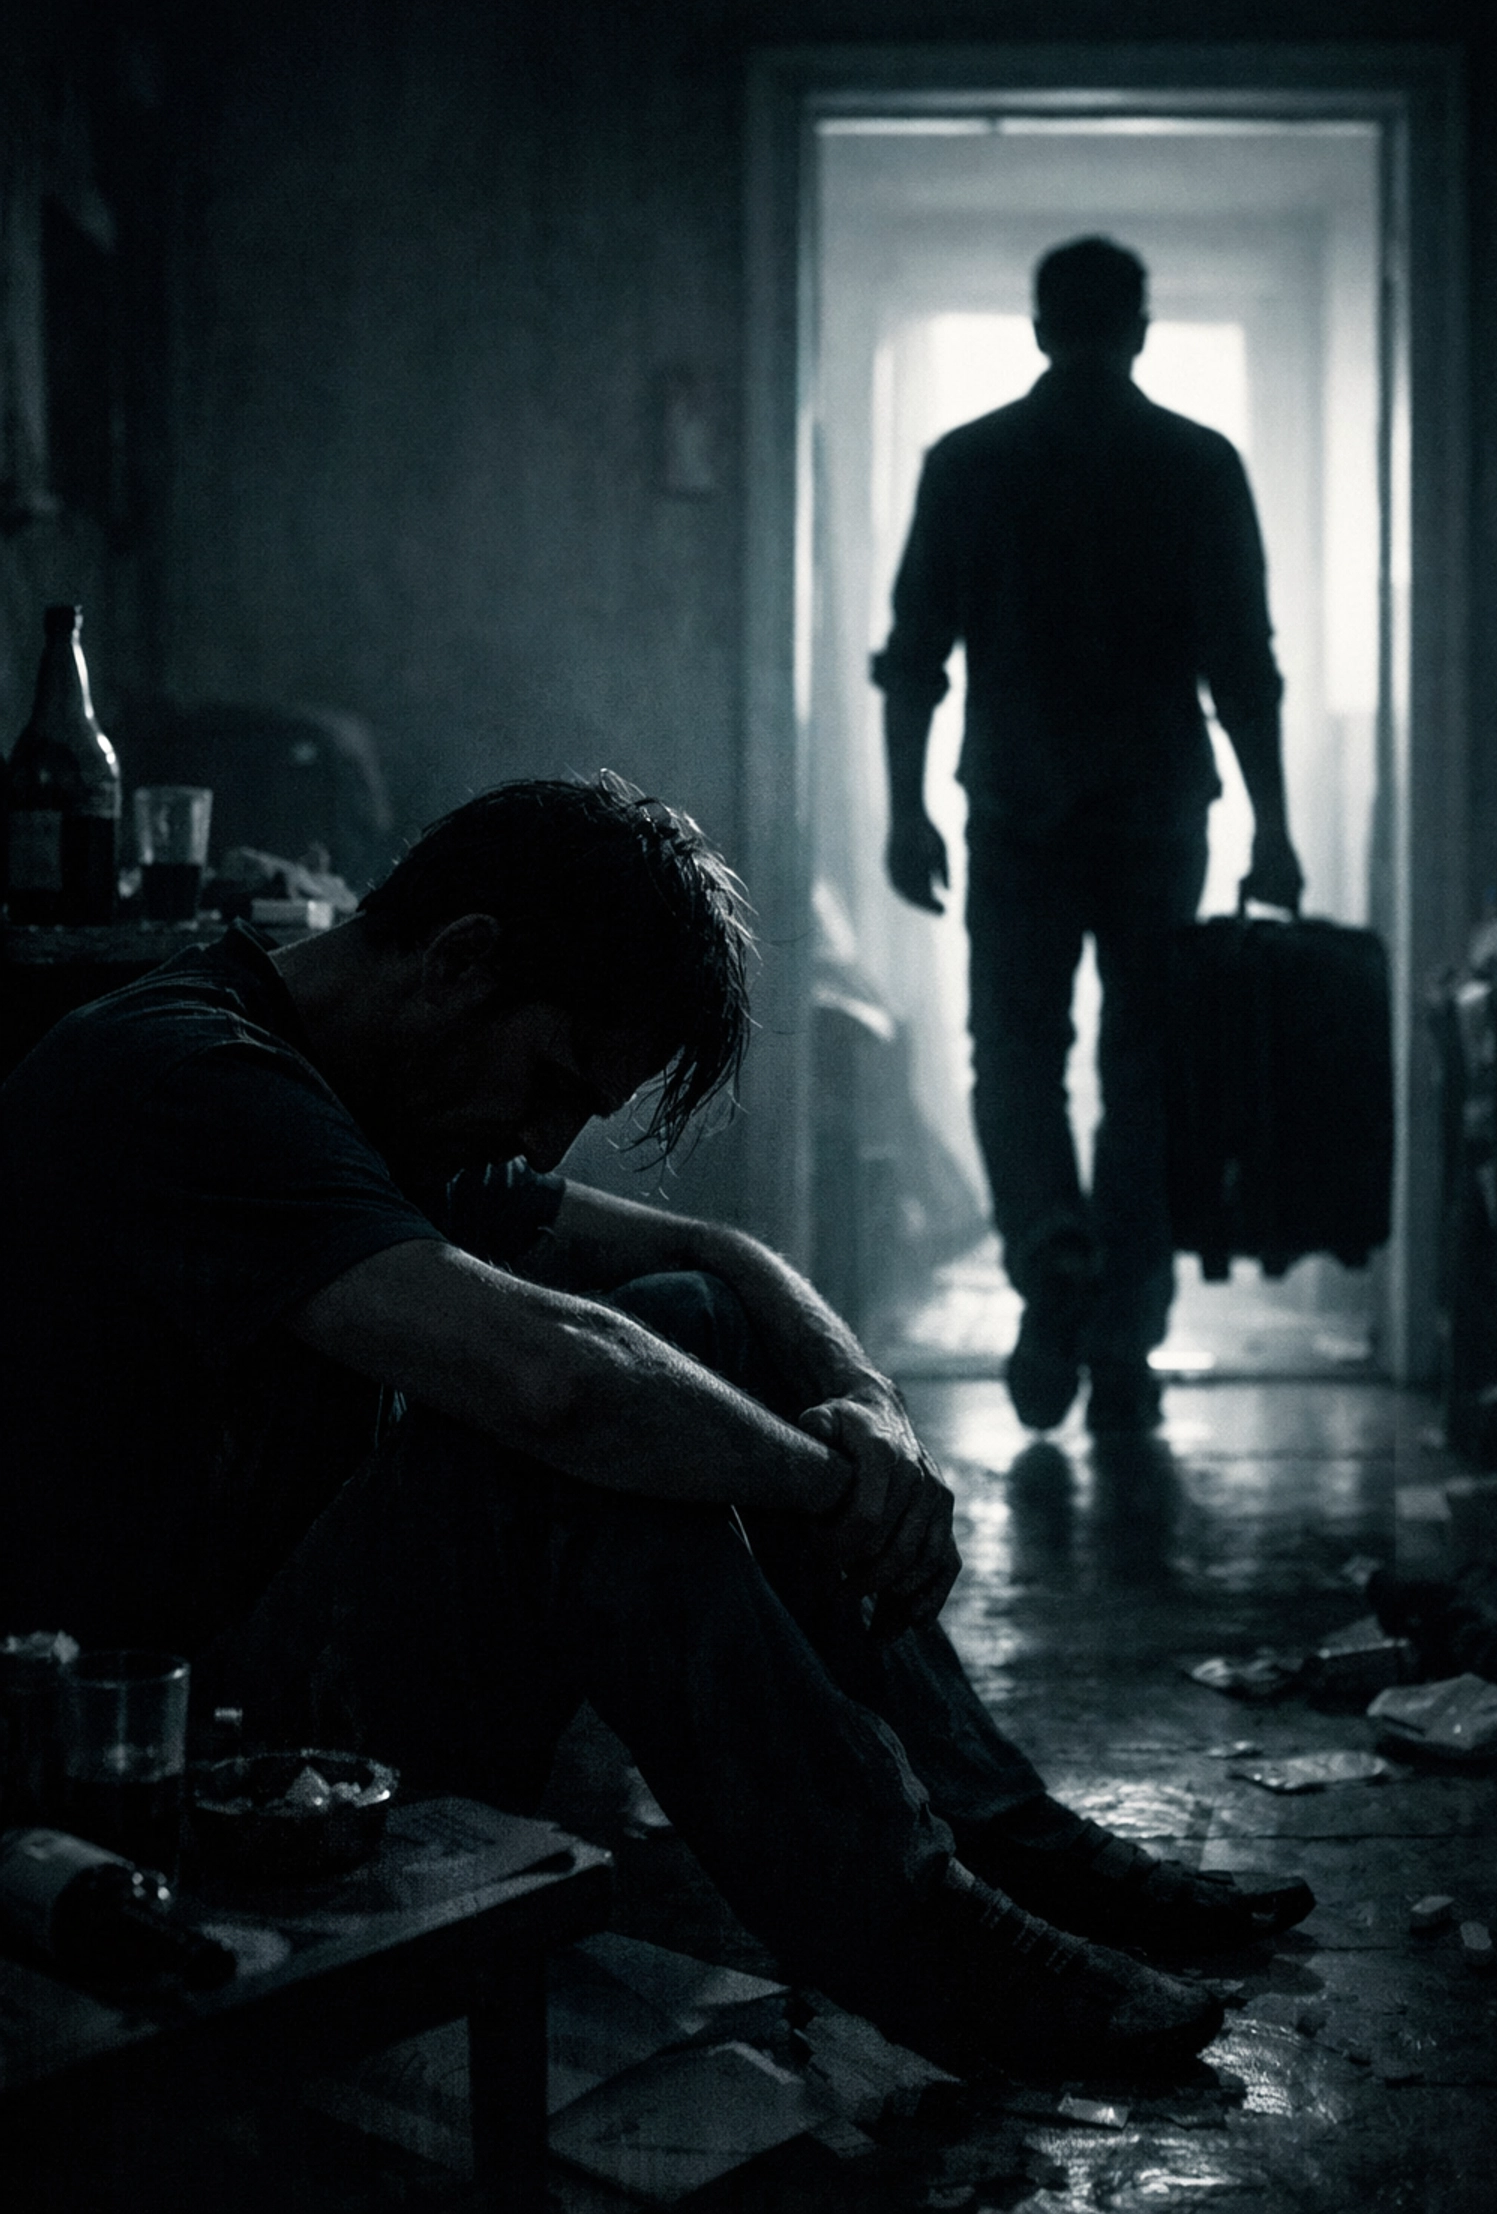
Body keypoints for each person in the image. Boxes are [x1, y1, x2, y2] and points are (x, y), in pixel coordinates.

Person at [0, 775, 1310, 2077]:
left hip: (267, 1679)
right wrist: (821, 1484)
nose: (546, 1137)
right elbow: (556, 1382)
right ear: (463, 962)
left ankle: (1002, 1831)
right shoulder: (188, 1077)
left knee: (691, 1319)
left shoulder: (375, 1083)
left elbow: (715, 1256)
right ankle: (919, 1933)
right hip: (134, 1752)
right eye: (552, 1083)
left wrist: (874, 1422)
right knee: (570, 1452)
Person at [876, 238, 1304, 1435]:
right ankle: (1124, 1329)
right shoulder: (1196, 464)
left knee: (1012, 1054)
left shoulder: (970, 463)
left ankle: (1054, 1260)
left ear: (1039, 326)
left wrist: (905, 810)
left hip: (1016, 809)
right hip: (1158, 807)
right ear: (1141, 328)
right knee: (1149, 1070)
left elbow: (915, 661)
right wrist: (1274, 828)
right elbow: (1245, 668)